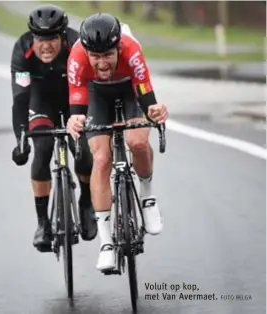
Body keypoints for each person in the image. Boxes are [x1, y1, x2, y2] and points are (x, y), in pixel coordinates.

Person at [65, 13, 169, 271]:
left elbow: (146, 94)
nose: (101, 63)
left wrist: (155, 111)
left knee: (139, 143)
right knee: (101, 159)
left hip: (129, 89)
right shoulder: (77, 57)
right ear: (87, 52)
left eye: (107, 56)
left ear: (118, 48)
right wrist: (74, 121)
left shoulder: (131, 49)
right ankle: (106, 243)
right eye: (96, 57)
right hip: (96, 94)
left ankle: (147, 197)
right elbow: (77, 103)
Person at [10, 4, 97, 253]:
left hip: (74, 99)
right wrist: (21, 141)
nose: (45, 46)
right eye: (40, 39)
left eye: (51, 39)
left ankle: (87, 201)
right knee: (43, 148)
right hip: (41, 101)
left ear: (62, 36)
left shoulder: (77, 45)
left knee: (82, 150)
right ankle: (43, 223)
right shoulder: (22, 49)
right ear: (32, 38)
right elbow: (20, 99)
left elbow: (90, 87)